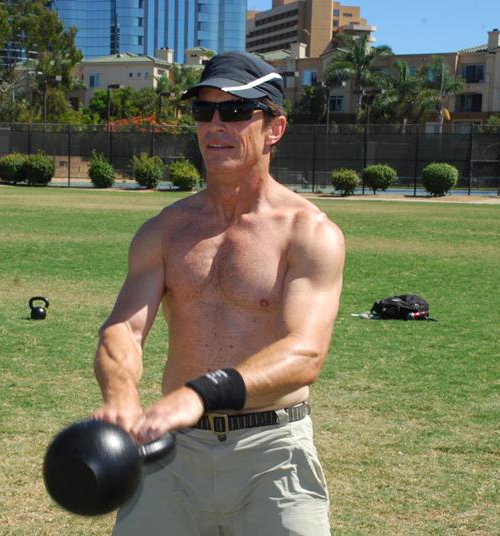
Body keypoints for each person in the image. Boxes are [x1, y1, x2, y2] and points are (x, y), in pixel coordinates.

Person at [92, 51, 345, 535]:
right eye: (203, 111)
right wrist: (122, 394)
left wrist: (200, 393)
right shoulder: (165, 230)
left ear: (275, 128)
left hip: (272, 454)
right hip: (172, 454)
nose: (215, 125)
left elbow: (304, 352)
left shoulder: (309, 233)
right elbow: (122, 329)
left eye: (234, 111)